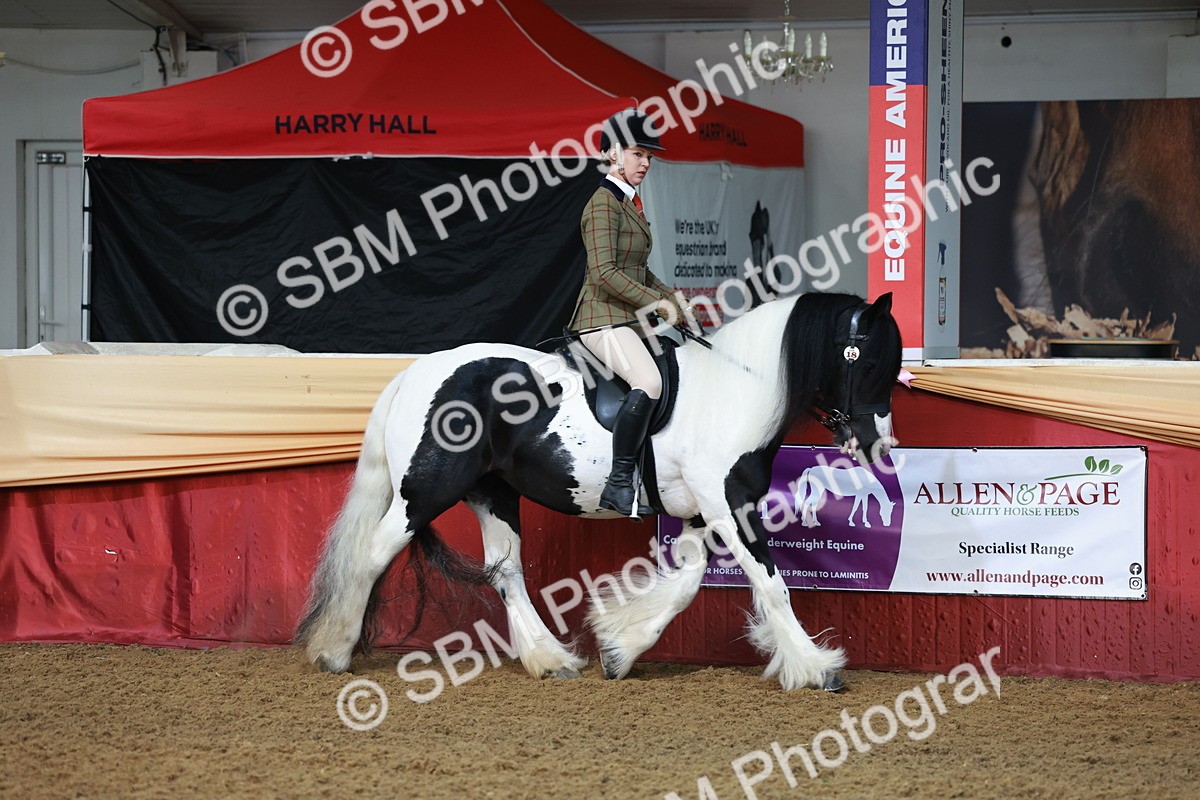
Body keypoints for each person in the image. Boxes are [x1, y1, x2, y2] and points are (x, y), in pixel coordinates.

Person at [568, 109, 690, 519]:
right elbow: (604, 272)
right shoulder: (603, 204)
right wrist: (657, 304)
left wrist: (673, 299)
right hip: (600, 317)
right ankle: (619, 483)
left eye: (648, 157)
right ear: (612, 154)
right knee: (649, 381)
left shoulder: (629, 204)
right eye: (638, 154)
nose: (646, 163)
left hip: (627, 319)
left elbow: (638, 268)